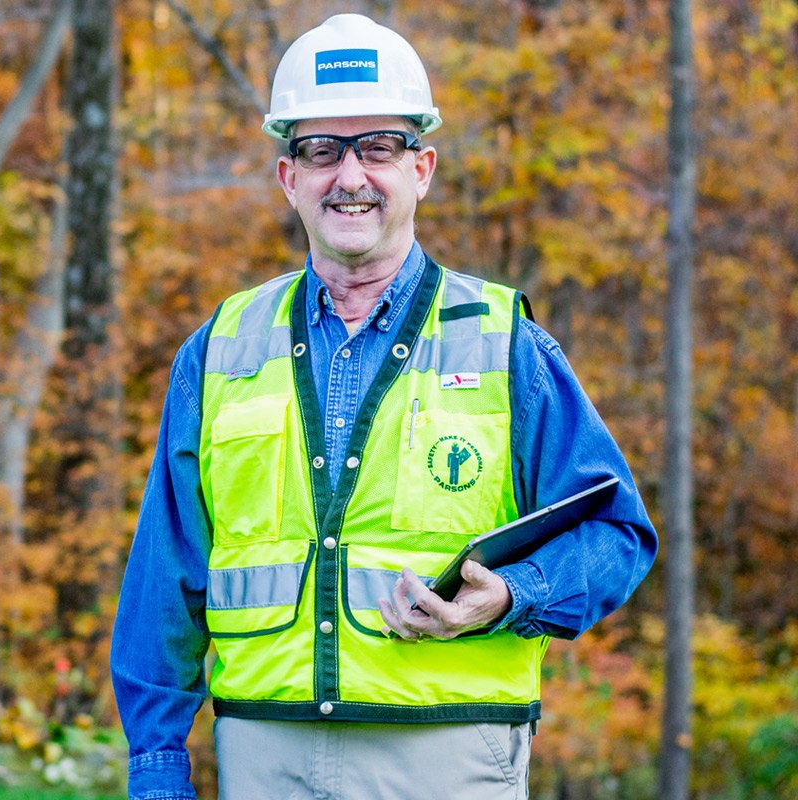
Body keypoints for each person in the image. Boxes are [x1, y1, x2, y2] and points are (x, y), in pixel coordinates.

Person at [110, 13, 657, 800]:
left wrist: (513, 594)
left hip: (450, 757)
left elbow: (619, 532)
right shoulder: (219, 350)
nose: (351, 175)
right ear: (287, 177)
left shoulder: (505, 344)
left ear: (423, 168)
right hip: (265, 759)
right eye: (321, 150)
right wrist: (158, 766)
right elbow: (166, 579)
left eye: (379, 147)